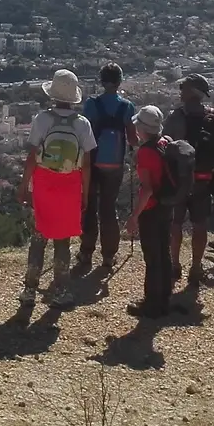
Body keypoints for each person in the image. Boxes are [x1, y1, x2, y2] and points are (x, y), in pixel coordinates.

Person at [17, 70, 96, 308]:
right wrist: (85, 193)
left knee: (39, 237)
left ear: (52, 94)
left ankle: (30, 290)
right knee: (62, 240)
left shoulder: (43, 119)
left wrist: (24, 186)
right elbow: (88, 164)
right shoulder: (83, 124)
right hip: (70, 185)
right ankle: (61, 291)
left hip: (44, 183)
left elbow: (32, 157)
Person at [161, 75, 214, 288]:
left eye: (184, 87)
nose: (180, 90)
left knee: (175, 223)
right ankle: (196, 267)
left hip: (178, 180)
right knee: (200, 225)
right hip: (203, 181)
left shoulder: (175, 117)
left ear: (192, 91)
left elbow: (163, 147)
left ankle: (174, 265)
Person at [75, 63, 135, 275]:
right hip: (115, 163)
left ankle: (86, 251)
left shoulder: (92, 104)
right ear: (119, 82)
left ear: (101, 81)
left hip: (93, 161)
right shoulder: (127, 106)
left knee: (89, 207)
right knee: (108, 209)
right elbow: (133, 137)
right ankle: (109, 255)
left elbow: (84, 132)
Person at [122, 105, 174, 319]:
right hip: (167, 205)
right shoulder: (166, 142)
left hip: (151, 210)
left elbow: (147, 189)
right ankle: (164, 299)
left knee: (152, 257)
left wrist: (134, 216)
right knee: (164, 252)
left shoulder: (146, 152)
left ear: (142, 128)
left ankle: (151, 304)